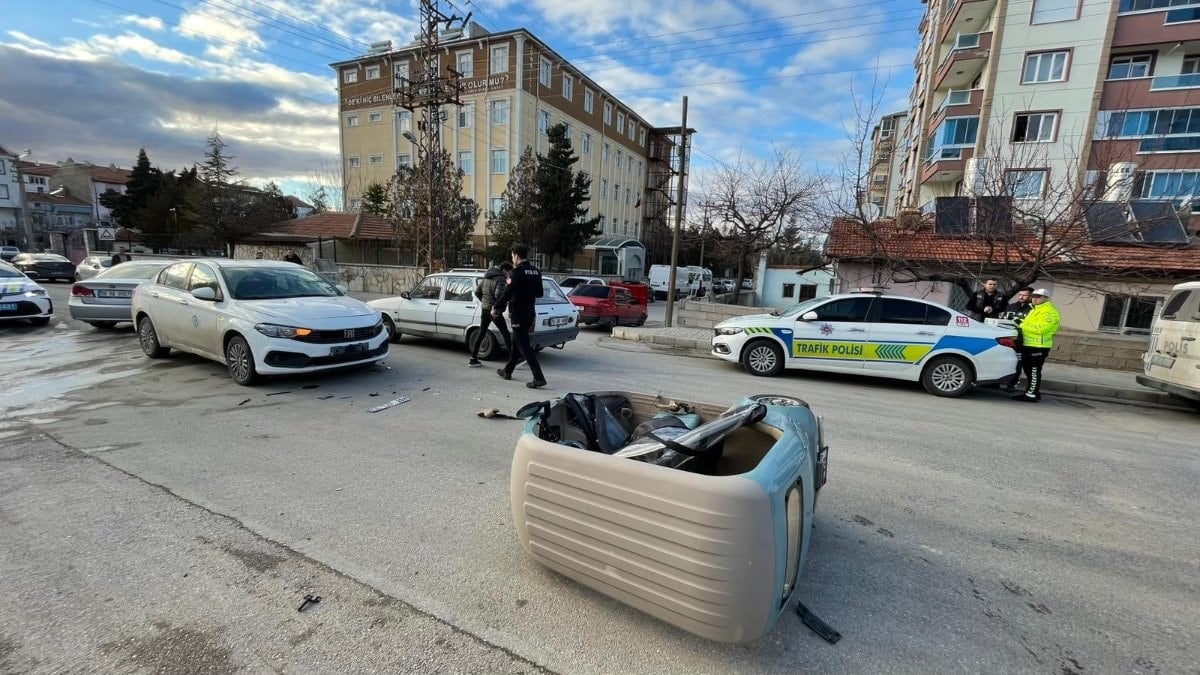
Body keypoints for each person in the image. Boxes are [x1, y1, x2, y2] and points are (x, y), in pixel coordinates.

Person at [493, 244, 547, 389]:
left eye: (512, 256)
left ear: (516, 255)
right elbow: (539, 293)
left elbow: (507, 293)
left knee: (524, 346)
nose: (512, 259)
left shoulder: (516, 273)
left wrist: (496, 308)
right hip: (530, 312)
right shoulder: (536, 271)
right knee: (517, 341)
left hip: (518, 313)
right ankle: (507, 371)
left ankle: (538, 378)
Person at [1012, 288, 1060, 403]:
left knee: (1034, 371)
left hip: (1039, 346)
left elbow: (1041, 329)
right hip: (1028, 344)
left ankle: (1031, 394)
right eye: (1033, 296)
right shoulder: (1034, 309)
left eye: (1038, 297)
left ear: (1045, 298)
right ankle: (1033, 392)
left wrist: (1021, 324)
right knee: (1028, 370)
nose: (1034, 298)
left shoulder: (1050, 312)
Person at [467, 261, 514, 367]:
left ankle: (473, 358)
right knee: (505, 333)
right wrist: (497, 308)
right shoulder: (501, 279)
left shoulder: (486, 277)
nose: (508, 275)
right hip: (494, 310)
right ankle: (513, 358)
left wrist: (485, 302)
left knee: (482, 332)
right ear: (504, 270)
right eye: (508, 272)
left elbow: (477, 292)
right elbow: (499, 295)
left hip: (485, 309)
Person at [1001, 287, 1034, 391]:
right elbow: (1002, 320)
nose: (1021, 297)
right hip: (1008, 339)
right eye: (1020, 294)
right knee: (1004, 361)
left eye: (1024, 295)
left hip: (1023, 340)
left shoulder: (1033, 309)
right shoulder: (1011, 306)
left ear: (1030, 296)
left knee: (1018, 363)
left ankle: (1012, 384)